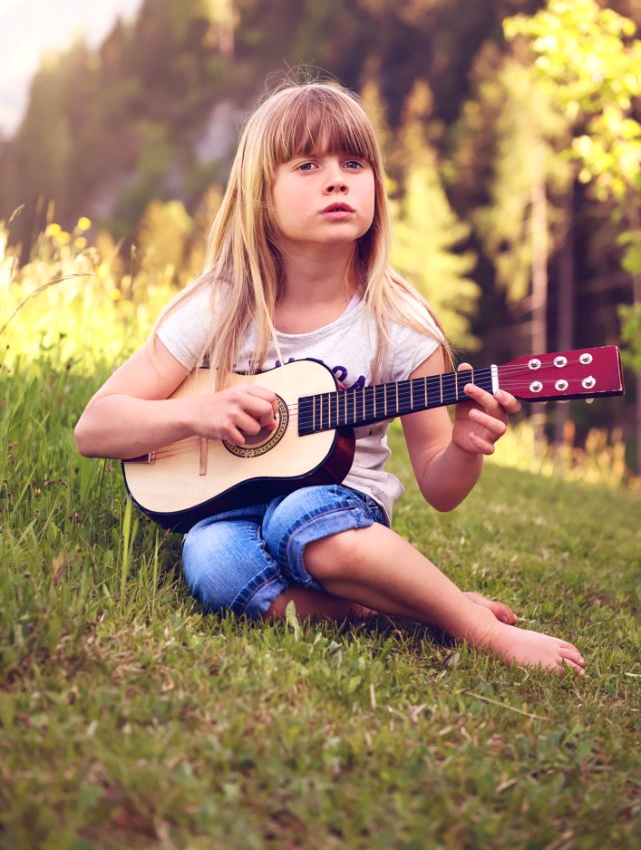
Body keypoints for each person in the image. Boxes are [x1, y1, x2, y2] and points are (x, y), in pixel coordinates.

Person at [74, 80, 585, 674]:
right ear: (259, 195)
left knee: (299, 517)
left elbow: (441, 489)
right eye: (307, 165)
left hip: (339, 510)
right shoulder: (219, 306)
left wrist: (467, 446)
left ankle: (476, 630)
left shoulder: (401, 324)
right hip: (227, 508)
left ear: (375, 189)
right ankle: (386, 610)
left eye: (354, 163)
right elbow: (96, 427)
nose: (337, 179)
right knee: (210, 559)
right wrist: (196, 414)